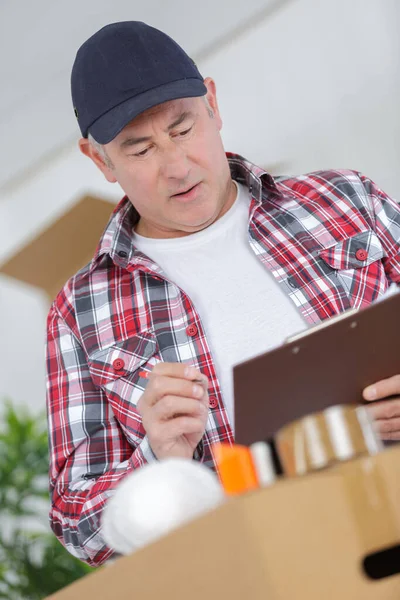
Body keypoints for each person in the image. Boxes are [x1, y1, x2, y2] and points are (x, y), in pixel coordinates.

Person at [46, 20, 400, 566]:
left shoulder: (346, 201)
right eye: (139, 149)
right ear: (100, 160)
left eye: (183, 129)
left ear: (212, 103)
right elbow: (76, 523)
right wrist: (158, 458)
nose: (176, 166)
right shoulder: (81, 311)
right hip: (273, 568)